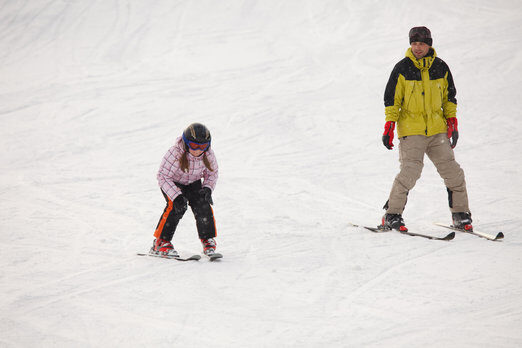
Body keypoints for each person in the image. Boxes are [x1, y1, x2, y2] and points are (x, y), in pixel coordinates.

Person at [380, 26, 472, 232]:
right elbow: (392, 101)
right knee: (410, 171)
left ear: (429, 44)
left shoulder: (440, 67)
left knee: (453, 172)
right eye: (414, 43)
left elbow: (449, 98)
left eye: (421, 43)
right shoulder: (402, 68)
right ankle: (392, 215)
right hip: (412, 131)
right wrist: (389, 126)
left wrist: (452, 122)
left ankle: (461, 215)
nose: (417, 48)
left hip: (437, 130)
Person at [151, 123, 219, 257]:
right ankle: (160, 242)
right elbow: (163, 176)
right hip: (172, 183)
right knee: (177, 207)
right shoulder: (175, 152)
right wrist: (176, 196)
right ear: (186, 143)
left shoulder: (208, 154)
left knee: (202, 204)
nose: (198, 150)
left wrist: (207, 188)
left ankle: (207, 239)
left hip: (193, 182)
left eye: (203, 146)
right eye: (194, 145)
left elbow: (212, 173)